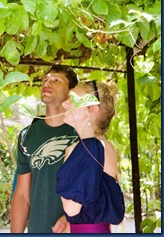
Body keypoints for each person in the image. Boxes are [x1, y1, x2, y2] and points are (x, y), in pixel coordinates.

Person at [10, 65, 79, 233]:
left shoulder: (82, 131)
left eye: (56, 80)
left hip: (75, 229)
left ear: (71, 93)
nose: (48, 83)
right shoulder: (27, 135)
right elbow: (22, 195)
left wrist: (72, 219)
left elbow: (98, 187)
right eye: (45, 80)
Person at [56, 81, 125, 233]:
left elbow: (71, 209)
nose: (65, 103)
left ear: (92, 109)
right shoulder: (101, 145)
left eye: (73, 98)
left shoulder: (92, 147)